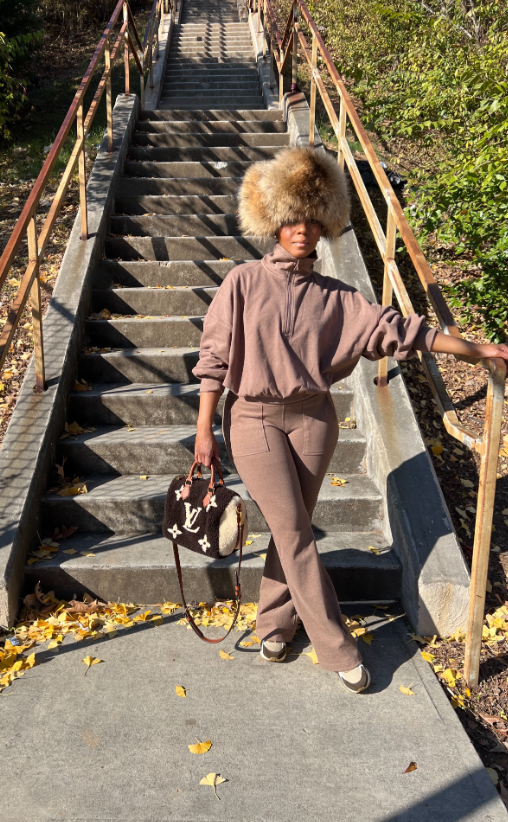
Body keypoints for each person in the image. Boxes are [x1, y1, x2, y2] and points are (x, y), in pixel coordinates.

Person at [191, 146, 508, 693]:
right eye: (292, 219)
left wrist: (473, 348)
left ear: (324, 226)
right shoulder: (242, 281)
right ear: (274, 221)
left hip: (315, 420)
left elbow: (401, 332)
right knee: (293, 532)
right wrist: (203, 430)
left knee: (290, 533)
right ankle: (337, 649)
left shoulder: (340, 298)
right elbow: (214, 358)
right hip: (253, 419)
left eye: (312, 221)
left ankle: (275, 622)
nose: (302, 230)